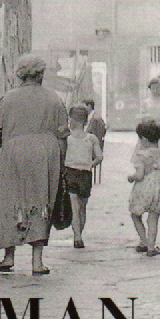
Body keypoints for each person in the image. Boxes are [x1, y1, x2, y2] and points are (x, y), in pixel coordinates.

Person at [0, 54, 69, 275]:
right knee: (41, 202)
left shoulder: (8, 98)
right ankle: (37, 261)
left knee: (10, 200)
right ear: (41, 74)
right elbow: (62, 136)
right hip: (45, 154)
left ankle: (8, 256)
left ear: (20, 74)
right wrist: (61, 163)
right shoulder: (54, 99)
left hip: (14, 152)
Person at [128, 119, 160, 256]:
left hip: (143, 190)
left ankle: (143, 241)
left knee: (135, 215)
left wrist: (131, 177)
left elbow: (140, 175)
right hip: (159, 190)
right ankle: (151, 247)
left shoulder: (141, 155)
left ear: (144, 140)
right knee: (153, 220)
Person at [64, 104, 103, 249]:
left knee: (74, 207)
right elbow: (99, 157)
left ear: (72, 121)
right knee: (82, 208)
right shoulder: (91, 138)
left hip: (71, 173)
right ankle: (79, 233)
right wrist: (90, 165)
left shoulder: (67, 139)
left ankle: (77, 236)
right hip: (85, 175)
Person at [83, 98, 106, 183]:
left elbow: (92, 133)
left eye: (84, 106)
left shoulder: (95, 119)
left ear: (89, 106)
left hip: (92, 147)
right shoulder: (91, 117)